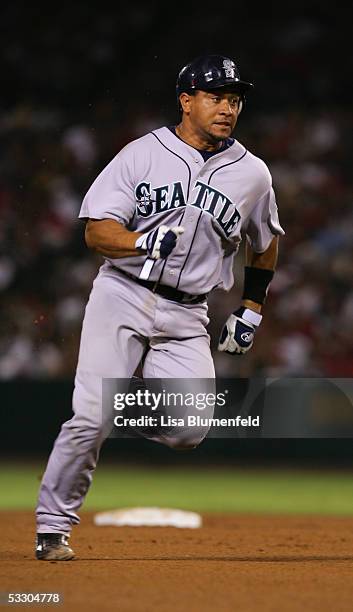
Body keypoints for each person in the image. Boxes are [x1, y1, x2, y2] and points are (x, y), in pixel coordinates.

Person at [35, 54, 284, 560]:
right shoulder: (141, 155)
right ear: (185, 100)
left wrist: (251, 306)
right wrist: (140, 241)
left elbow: (267, 242)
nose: (228, 108)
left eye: (234, 99)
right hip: (122, 295)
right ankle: (52, 527)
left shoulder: (253, 174)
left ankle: (115, 407)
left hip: (188, 313)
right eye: (215, 96)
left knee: (191, 428)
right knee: (88, 418)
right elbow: (96, 230)